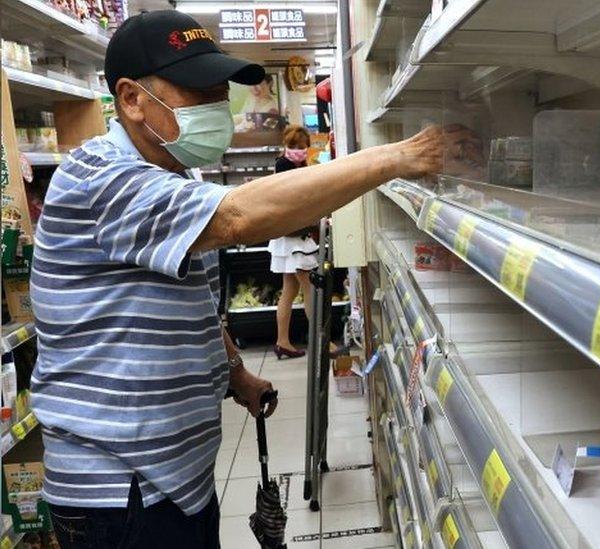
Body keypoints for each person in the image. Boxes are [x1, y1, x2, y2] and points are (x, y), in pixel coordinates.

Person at [28, 10, 470, 549]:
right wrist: (397, 156)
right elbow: (239, 216)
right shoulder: (100, 177)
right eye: (199, 90)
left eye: (222, 92)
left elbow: (184, 301)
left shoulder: (171, 173)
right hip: (119, 489)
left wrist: (235, 371)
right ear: (131, 98)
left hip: (173, 478)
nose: (218, 106)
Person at [268, 125, 316, 359]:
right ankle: (321, 342)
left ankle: (282, 341)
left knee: (290, 289)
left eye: (302, 147)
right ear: (286, 147)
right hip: (294, 237)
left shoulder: (298, 165)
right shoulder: (284, 167)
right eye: (293, 147)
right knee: (309, 287)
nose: (298, 151)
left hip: (290, 235)